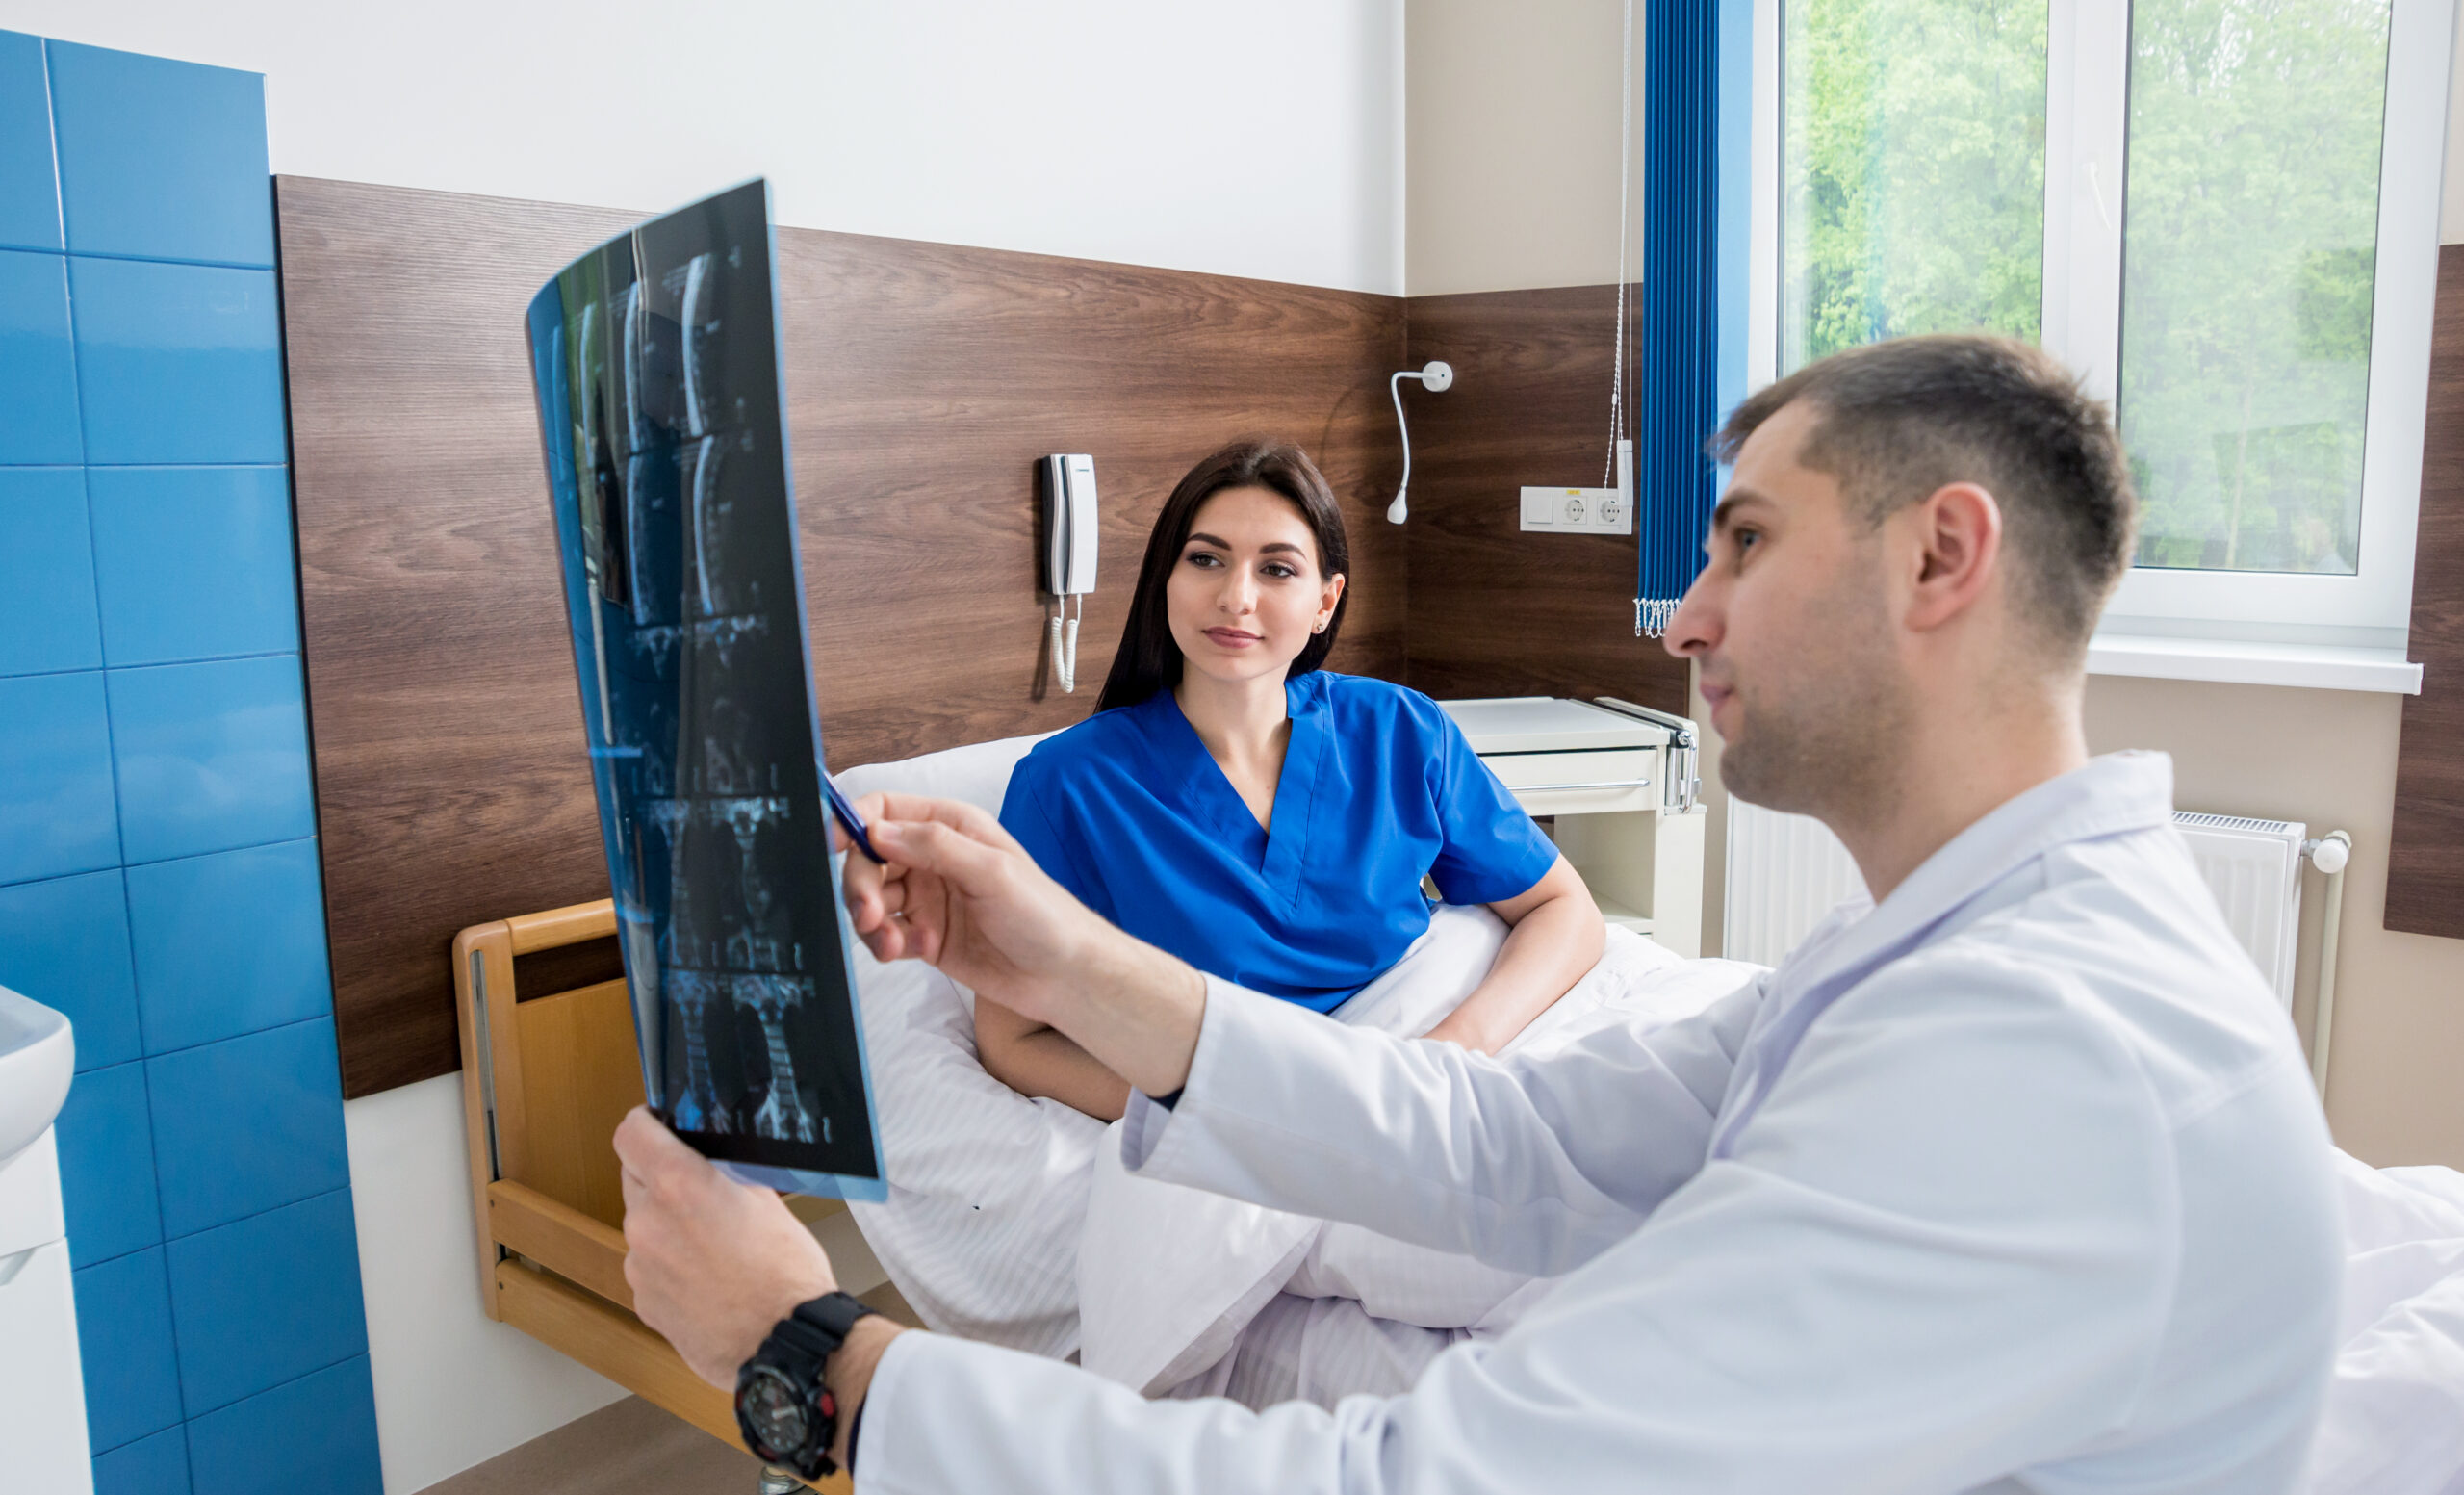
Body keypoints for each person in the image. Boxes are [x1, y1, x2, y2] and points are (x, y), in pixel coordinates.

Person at [617, 334, 2342, 1492]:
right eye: (1209, 560)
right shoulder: (1941, 958)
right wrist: (1067, 958)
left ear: (1941, 558)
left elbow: (1425, 1475)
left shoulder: (2044, 1054)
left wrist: (818, 1350)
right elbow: (1512, 1139)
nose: (1683, 615)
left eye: (1742, 538)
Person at [981, 438, 1606, 1120]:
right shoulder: (1069, 786)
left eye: (1277, 569)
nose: (1236, 597)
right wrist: (1218, 1111)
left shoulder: (1399, 731)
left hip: (1419, 1078)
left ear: (1326, 601)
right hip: (1230, 1102)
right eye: (1206, 559)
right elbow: (1014, 1037)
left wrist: (1451, 1053)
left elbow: (1563, 908)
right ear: (1166, 578)